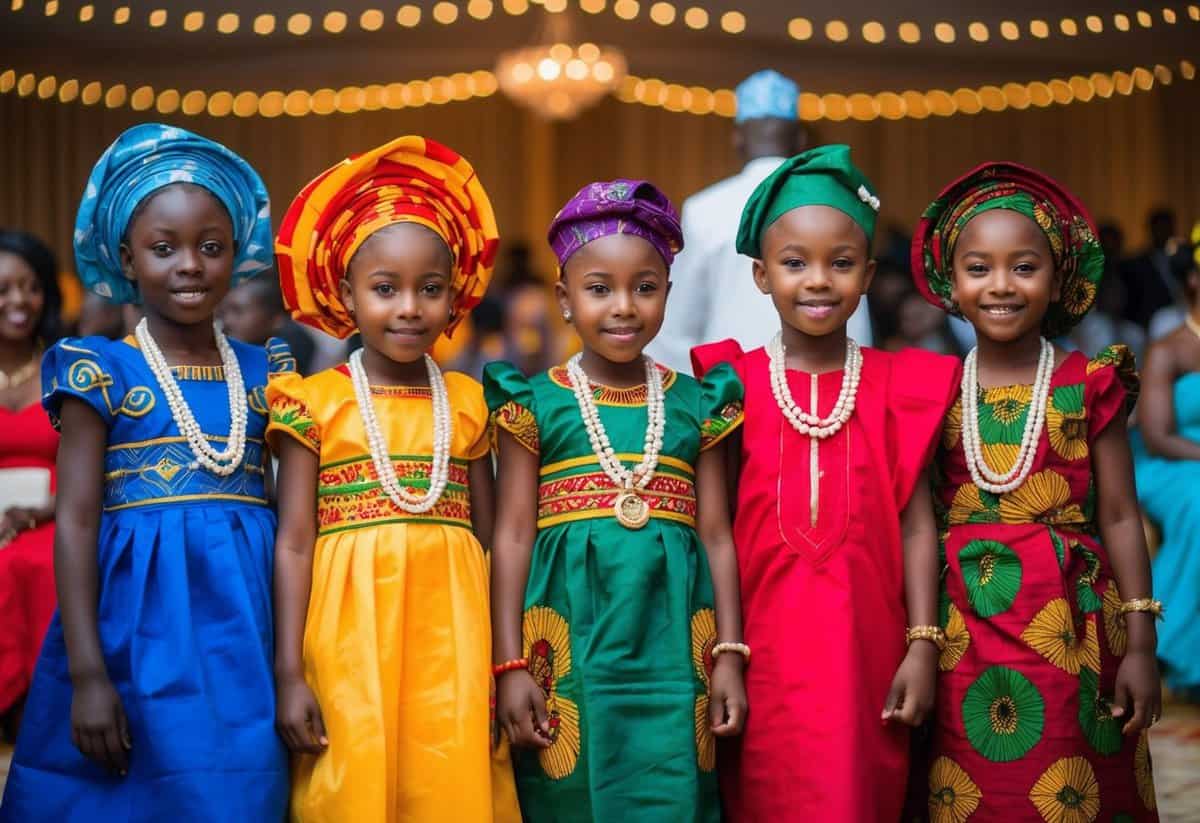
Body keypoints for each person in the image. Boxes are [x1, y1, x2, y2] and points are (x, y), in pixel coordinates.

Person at [0, 124, 290, 821]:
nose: (189, 264)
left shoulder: (268, 373)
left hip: (243, 631)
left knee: (239, 791)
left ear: (238, 254)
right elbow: (74, 520)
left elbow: (290, 520)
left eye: (210, 246)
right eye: (165, 248)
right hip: (131, 629)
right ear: (127, 257)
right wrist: (89, 673)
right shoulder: (100, 370)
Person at [690, 145, 957, 822]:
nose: (818, 280)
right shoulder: (732, 385)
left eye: (840, 263)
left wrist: (923, 643)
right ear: (758, 274)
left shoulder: (901, 386)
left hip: (868, 655)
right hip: (762, 658)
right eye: (794, 262)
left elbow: (918, 524)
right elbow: (713, 530)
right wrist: (724, 653)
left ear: (867, 273)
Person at [270, 135, 519, 822]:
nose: (409, 306)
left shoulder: (469, 401)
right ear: (346, 292)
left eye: (429, 289)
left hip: (455, 639)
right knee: (353, 782)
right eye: (385, 288)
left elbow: (492, 537)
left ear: (455, 296)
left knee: (449, 781)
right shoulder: (315, 400)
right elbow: (293, 541)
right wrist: (289, 671)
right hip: (346, 639)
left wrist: (506, 660)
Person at [486, 179, 746, 821]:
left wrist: (731, 657)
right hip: (570, 652)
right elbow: (513, 534)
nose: (624, 307)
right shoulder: (535, 403)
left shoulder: (699, 402)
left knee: (674, 795)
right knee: (570, 798)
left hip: (675, 653)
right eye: (599, 288)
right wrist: (509, 663)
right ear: (565, 299)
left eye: (646, 287)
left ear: (667, 293)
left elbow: (715, 533)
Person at [911, 161, 1160, 820]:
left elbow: (1118, 512)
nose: (1000, 285)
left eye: (1024, 267)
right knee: (968, 789)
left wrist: (1140, 643)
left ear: (1058, 281)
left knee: (1073, 781)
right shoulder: (929, 391)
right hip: (960, 630)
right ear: (949, 282)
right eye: (979, 268)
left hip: (1071, 627)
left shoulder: (1088, 383)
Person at [648, 70, 871, 374]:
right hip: (829, 379)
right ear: (801, 138)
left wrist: (693, 397)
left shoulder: (703, 208)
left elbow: (678, 323)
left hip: (728, 386)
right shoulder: (831, 204)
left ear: (737, 137)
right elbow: (854, 309)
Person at [1133, 228, 1200, 698]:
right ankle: (1172, 641)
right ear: (1193, 280)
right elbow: (1157, 436)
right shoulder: (1169, 349)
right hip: (1172, 464)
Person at [0, 230, 62, 739]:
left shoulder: (67, 367)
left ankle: (38, 718)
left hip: (56, 516)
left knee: (42, 561)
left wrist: (40, 513)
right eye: (3, 289)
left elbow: (94, 467)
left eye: (31, 287)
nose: (19, 301)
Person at [220, 274, 317, 374]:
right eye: (223, 312)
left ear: (275, 320)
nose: (227, 321)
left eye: (238, 311)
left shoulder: (292, 348)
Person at [1122, 208, 1192, 333]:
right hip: (1148, 327)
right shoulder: (1135, 265)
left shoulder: (1186, 256)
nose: (1163, 232)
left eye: (1167, 227)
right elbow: (1133, 303)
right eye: (1159, 228)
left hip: (1187, 318)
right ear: (1150, 229)